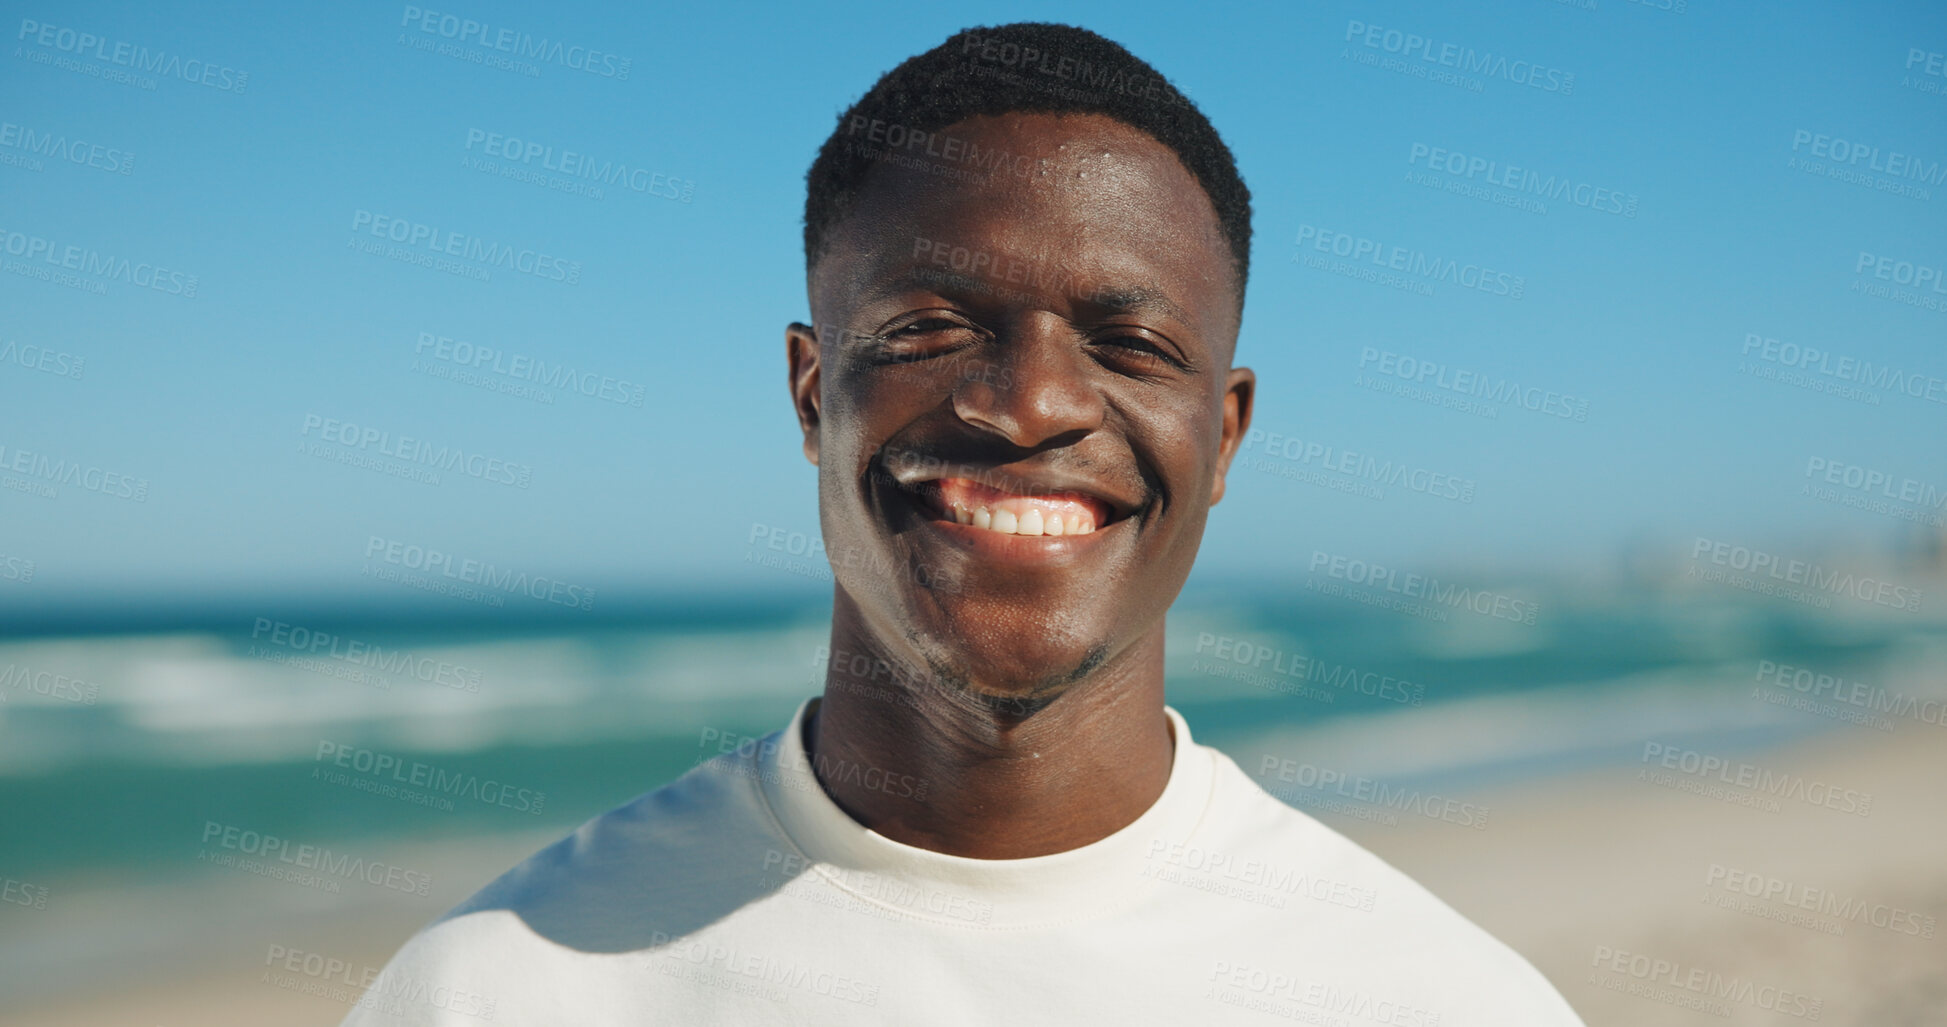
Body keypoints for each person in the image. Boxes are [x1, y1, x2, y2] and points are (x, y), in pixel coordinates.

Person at [343, 21, 1586, 1025]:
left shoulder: (1437, 996)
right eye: (931, 329)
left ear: (1226, 436)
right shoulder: (497, 989)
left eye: (1133, 345)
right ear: (814, 390)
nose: (1030, 403)